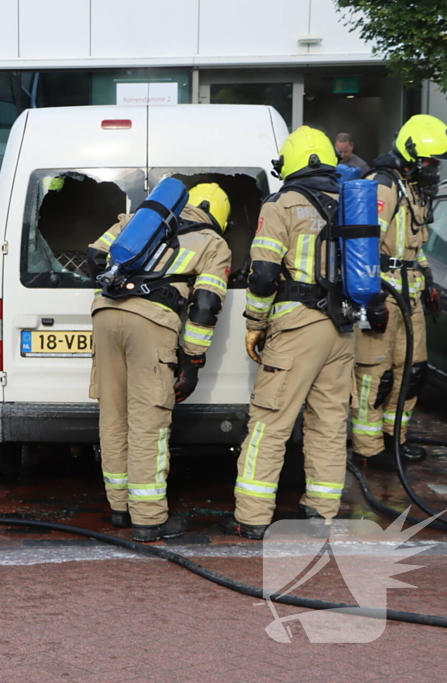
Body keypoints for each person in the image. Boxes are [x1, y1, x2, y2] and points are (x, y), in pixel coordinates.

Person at [220, 126, 353, 540]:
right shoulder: (353, 202)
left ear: (289, 165)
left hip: (297, 325)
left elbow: (262, 275)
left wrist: (255, 324)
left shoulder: (282, 204)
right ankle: (322, 511)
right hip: (343, 327)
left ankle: (253, 516)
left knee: (270, 421)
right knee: (329, 421)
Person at [88, 182, 233, 542]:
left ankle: (120, 508)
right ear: (219, 218)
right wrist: (193, 360)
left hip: (105, 315)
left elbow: (94, 257)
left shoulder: (140, 221)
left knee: (114, 416)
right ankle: (149, 519)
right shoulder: (214, 243)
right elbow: (205, 306)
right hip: (151, 325)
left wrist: (126, 289)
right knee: (148, 421)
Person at [351, 115, 447, 471]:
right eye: (430, 161)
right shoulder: (382, 187)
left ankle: (396, 438)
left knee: (412, 371)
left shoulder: (411, 187)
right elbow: (363, 246)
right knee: (375, 375)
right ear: (411, 155)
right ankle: (367, 446)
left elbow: (416, 246)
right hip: (384, 296)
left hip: (410, 298)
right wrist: (372, 298)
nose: (434, 169)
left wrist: (429, 281)